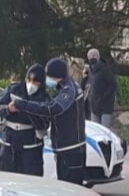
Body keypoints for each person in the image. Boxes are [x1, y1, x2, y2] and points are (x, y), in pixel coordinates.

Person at [11, 57, 87, 185]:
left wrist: (23, 105)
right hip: (66, 149)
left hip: (71, 150)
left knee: (70, 189)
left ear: (58, 76)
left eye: (49, 76)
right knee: (64, 187)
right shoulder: (65, 87)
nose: (47, 79)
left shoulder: (69, 90)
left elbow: (54, 109)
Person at [0, 64, 49, 176]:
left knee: (31, 179)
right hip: (9, 143)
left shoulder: (44, 98)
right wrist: (8, 109)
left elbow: (44, 124)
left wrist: (29, 108)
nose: (31, 84)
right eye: (29, 80)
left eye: (35, 82)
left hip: (30, 147)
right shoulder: (14, 89)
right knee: (7, 177)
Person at [83, 48, 116, 130]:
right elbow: (85, 87)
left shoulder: (105, 69)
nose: (92, 57)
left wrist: (103, 98)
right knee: (95, 131)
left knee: (105, 130)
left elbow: (113, 85)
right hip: (94, 106)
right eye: (90, 56)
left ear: (98, 57)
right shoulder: (90, 71)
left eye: (94, 55)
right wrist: (84, 78)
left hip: (105, 106)